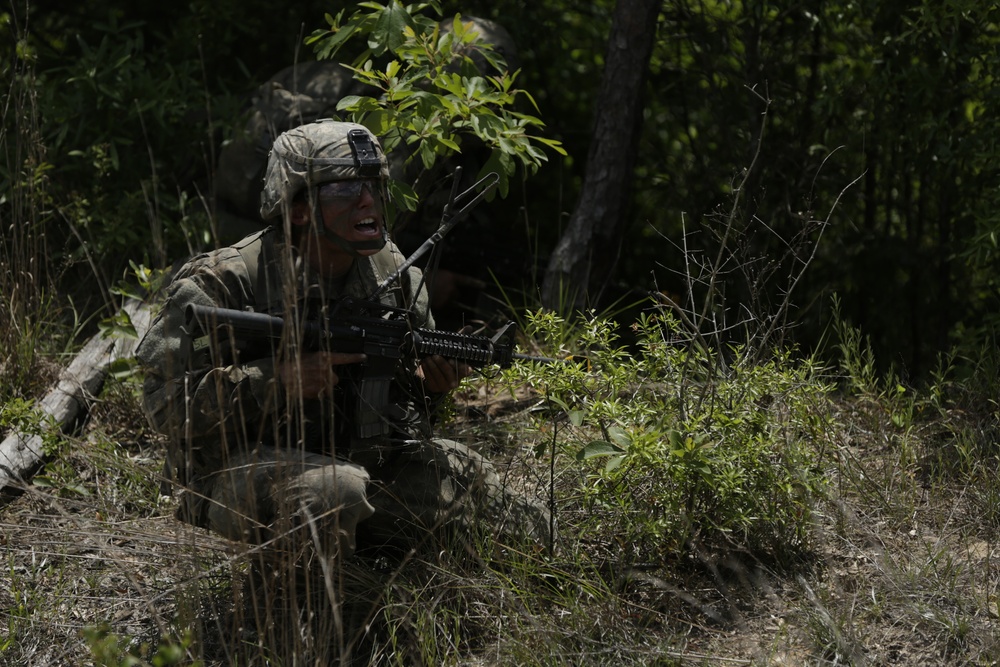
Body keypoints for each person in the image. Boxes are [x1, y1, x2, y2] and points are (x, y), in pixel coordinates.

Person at [136, 120, 551, 583]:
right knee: (337, 490)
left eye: (374, 184)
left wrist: (430, 387)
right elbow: (162, 406)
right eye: (348, 188)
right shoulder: (227, 281)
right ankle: (307, 621)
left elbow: (411, 417)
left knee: (509, 515)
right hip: (235, 475)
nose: (369, 200)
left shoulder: (396, 277)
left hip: (366, 464)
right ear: (298, 209)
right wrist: (273, 381)